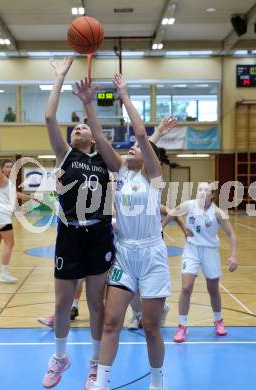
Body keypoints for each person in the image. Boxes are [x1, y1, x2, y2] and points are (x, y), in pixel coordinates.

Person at [73, 73, 170, 390]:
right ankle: (101, 381)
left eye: (137, 148)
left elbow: (141, 133)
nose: (132, 147)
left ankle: (157, 382)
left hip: (153, 253)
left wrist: (125, 94)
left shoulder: (154, 175)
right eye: (129, 146)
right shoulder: (122, 171)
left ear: (149, 153)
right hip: (125, 254)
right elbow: (99, 139)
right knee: (112, 321)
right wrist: (89, 105)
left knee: (152, 327)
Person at [42, 58, 114, 389]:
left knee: (96, 304)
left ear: (93, 137)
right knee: (61, 303)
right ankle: (60, 357)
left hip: (99, 233)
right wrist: (60, 78)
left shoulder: (104, 160)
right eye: (75, 128)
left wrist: (90, 111)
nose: (78, 129)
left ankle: (96, 364)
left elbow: (99, 134)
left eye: (83, 127)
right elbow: (48, 116)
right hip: (69, 233)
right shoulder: (64, 155)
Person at [165, 182, 238, 343]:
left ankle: (218, 320)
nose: (203, 192)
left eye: (207, 190)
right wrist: (160, 226)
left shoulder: (218, 213)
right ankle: (182, 326)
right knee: (186, 287)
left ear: (212, 195)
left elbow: (231, 234)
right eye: (200, 189)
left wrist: (233, 256)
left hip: (210, 251)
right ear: (196, 192)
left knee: (213, 289)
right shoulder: (188, 205)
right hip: (191, 249)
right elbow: (171, 213)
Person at [127, 204, 193, 330]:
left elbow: (175, 213)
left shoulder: (156, 205)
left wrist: (184, 228)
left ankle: (158, 310)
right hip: (134, 249)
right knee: (130, 286)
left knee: (146, 286)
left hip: (153, 251)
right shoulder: (129, 205)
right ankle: (138, 315)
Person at [0, 145, 39, 283]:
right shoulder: (2, 178)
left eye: (11, 167)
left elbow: (17, 194)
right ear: (3, 168)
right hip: (2, 215)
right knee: (10, 243)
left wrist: (31, 197)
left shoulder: (9, 183)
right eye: (6, 166)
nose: (9, 169)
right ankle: (4, 273)